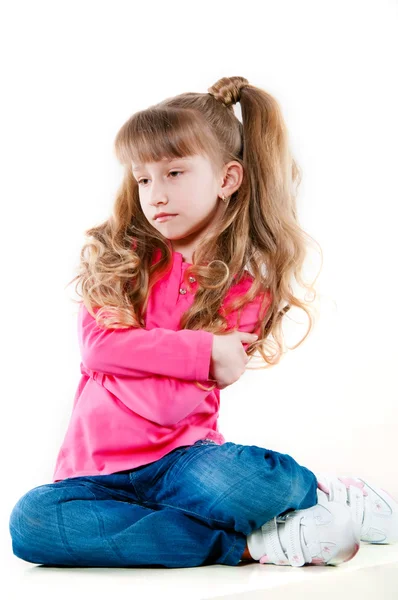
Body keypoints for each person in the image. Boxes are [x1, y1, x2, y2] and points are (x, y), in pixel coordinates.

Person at [9, 76, 398, 569]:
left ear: (226, 179)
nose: (155, 195)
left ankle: (320, 494)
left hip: (184, 462)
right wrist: (201, 351)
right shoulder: (119, 259)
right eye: (143, 178)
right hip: (92, 473)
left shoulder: (243, 287)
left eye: (174, 173)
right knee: (33, 523)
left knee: (256, 485)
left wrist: (125, 356)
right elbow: (96, 349)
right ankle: (250, 544)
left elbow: (166, 406)